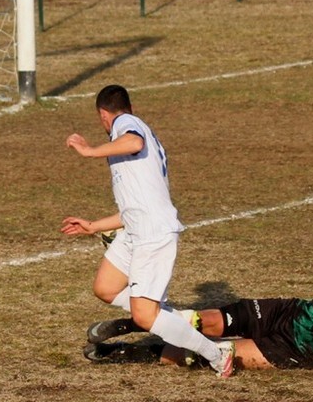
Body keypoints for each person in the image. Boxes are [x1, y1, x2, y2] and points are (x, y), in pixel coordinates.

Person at [95, 222, 313, 384]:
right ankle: (144, 319)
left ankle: (127, 351)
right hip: (286, 312)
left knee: (211, 352)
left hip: (297, 349)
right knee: (210, 319)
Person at [61, 84, 236, 377]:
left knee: (144, 316)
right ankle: (170, 318)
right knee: (105, 288)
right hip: (135, 229)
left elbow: (134, 142)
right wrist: (94, 226)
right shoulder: (128, 141)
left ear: (104, 114)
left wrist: (89, 151)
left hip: (153, 233)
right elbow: (134, 207)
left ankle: (216, 353)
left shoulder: (126, 125)